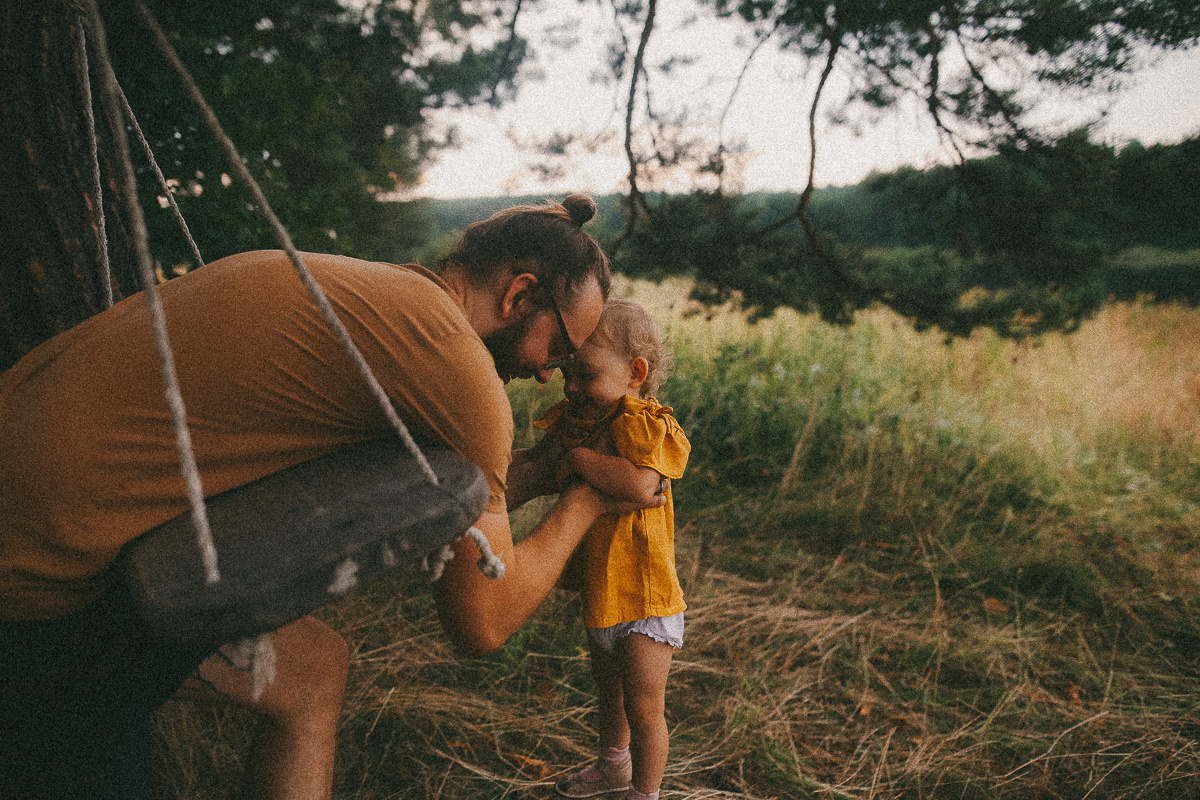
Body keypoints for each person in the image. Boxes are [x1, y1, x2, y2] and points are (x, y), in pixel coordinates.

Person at [0, 195, 665, 800]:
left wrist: (543, 473)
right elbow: (483, 624)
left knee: (313, 672)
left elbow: (443, 498)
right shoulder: (458, 365)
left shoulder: (380, 294)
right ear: (521, 295)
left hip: (43, 515)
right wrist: (587, 500)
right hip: (38, 587)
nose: (550, 374)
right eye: (561, 348)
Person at [510, 299, 690, 800]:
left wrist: (579, 459)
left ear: (635, 374)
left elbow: (639, 484)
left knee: (644, 708)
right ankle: (613, 766)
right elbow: (539, 461)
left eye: (585, 374)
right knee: (610, 698)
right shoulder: (581, 419)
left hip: (645, 598)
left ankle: (645, 793)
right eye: (568, 374)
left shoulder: (644, 422)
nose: (571, 387)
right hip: (604, 588)